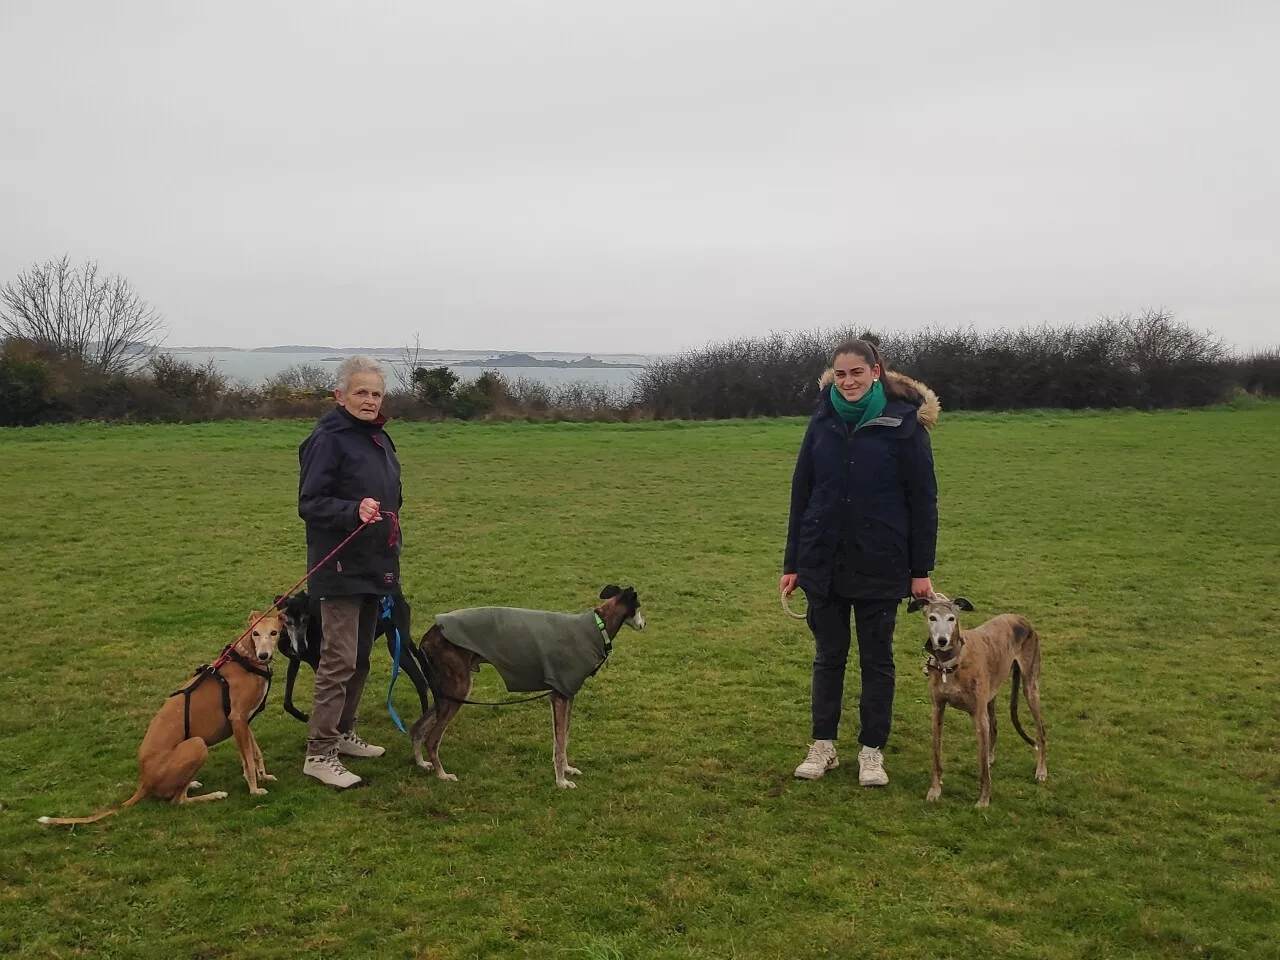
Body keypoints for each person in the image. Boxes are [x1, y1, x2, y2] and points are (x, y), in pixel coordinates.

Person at [781, 338, 939, 787]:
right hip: (822, 560)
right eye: (841, 374)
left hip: (882, 561)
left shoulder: (906, 424)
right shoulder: (822, 420)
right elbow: (802, 493)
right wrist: (793, 562)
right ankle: (823, 746)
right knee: (828, 658)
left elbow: (923, 501)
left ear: (876, 371)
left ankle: (872, 752)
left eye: (857, 373)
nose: (848, 382)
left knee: (877, 660)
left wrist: (920, 570)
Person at [297, 355, 404, 789]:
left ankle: (342, 734)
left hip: (374, 565)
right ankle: (319, 753)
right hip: (338, 564)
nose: (369, 400)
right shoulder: (328, 439)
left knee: (360, 656)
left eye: (376, 393)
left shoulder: (378, 437)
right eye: (361, 392)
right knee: (338, 659)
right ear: (340, 395)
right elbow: (310, 503)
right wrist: (350, 510)